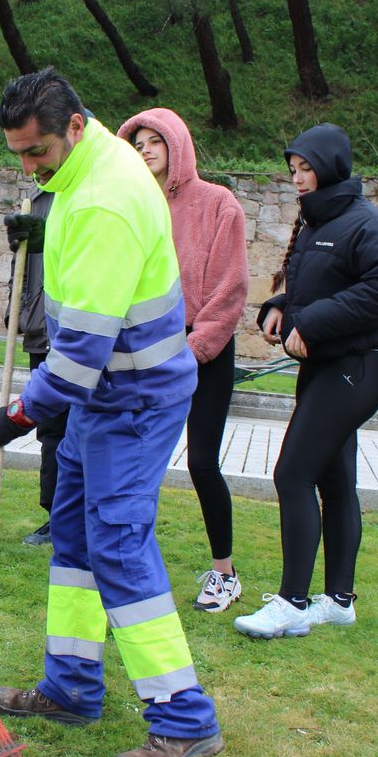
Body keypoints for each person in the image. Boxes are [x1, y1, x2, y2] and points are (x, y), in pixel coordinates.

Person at [0, 68, 222, 757]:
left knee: (117, 542)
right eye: (18, 154)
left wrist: (20, 413)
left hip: (134, 396)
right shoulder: (82, 175)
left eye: (37, 153)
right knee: (76, 532)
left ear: (76, 127)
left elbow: (82, 355)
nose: (28, 168)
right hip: (103, 393)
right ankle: (73, 688)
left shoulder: (106, 202)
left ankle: (184, 722)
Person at [234, 123, 378, 640]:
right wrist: (280, 308)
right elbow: (315, 289)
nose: (298, 179)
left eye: (306, 168)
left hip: (352, 373)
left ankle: (291, 602)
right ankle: (339, 602)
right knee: (335, 483)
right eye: (292, 170)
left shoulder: (368, 225)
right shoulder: (315, 225)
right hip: (323, 373)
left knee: (292, 475)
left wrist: (311, 323)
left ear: (331, 165)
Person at [117, 108, 250, 612]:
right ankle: (128, 559)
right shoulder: (131, 206)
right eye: (138, 142)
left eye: (156, 140)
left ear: (178, 145)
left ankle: (224, 572)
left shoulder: (219, 205)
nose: (146, 149)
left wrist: (192, 351)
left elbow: (230, 290)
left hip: (202, 352)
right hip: (145, 350)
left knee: (200, 461)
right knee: (135, 459)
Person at [9, 188, 66, 547]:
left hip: (82, 337)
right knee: (51, 431)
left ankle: (87, 520)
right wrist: (19, 310)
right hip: (41, 333)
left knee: (86, 432)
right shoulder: (35, 201)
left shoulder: (92, 194)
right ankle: (55, 518)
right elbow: (23, 263)